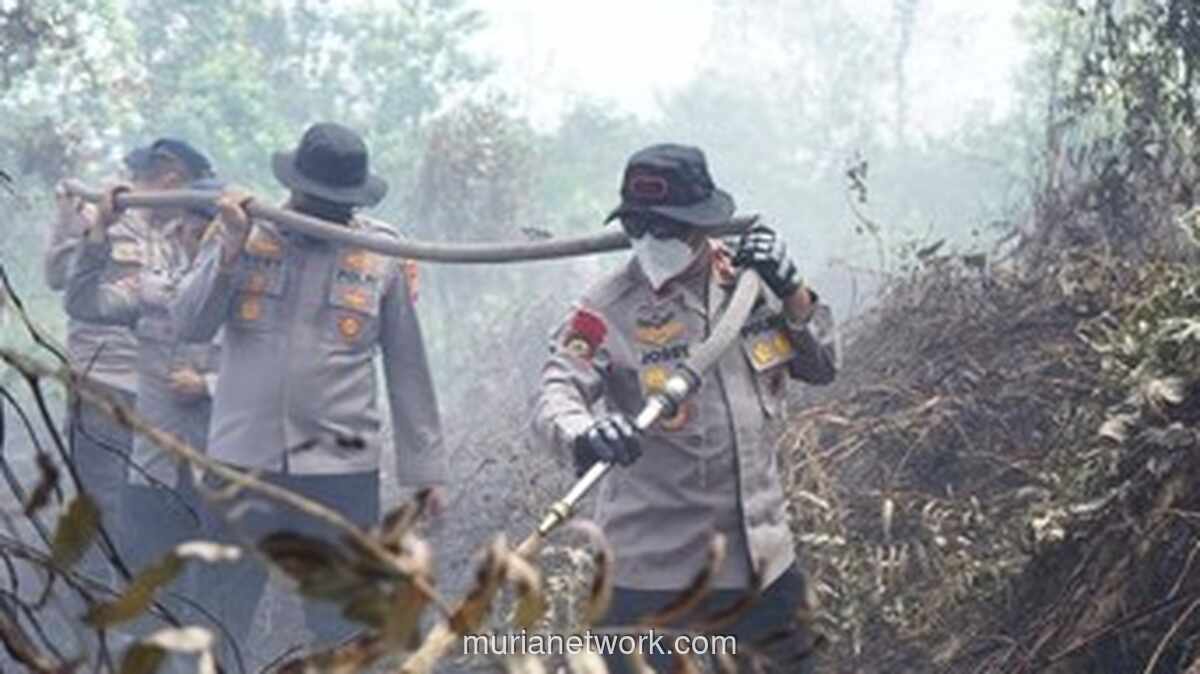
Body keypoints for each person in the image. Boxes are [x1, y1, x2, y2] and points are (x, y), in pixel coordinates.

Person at [532, 144, 838, 673]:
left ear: (701, 225)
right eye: (638, 226)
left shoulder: (751, 282)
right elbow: (556, 391)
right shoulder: (606, 308)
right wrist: (586, 432)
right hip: (652, 581)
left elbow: (823, 366)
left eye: (667, 229)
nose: (652, 242)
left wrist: (794, 294)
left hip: (762, 564)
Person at [170, 122, 446, 663]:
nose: (326, 214)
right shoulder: (242, 231)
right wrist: (228, 248)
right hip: (240, 465)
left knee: (342, 623)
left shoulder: (383, 251)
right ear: (294, 188)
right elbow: (189, 323)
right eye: (317, 201)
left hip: (339, 475)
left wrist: (426, 472)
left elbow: (408, 365)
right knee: (218, 614)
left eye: (338, 205)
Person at [46, 139, 213, 579]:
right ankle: (89, 596)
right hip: (103, 377)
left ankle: (136, 594)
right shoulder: (94, 208)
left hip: (161, 389)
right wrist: (95, 226)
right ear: (173, 175)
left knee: (147, 495)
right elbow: (58, 278)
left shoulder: (184, 230)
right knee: (100, 493)